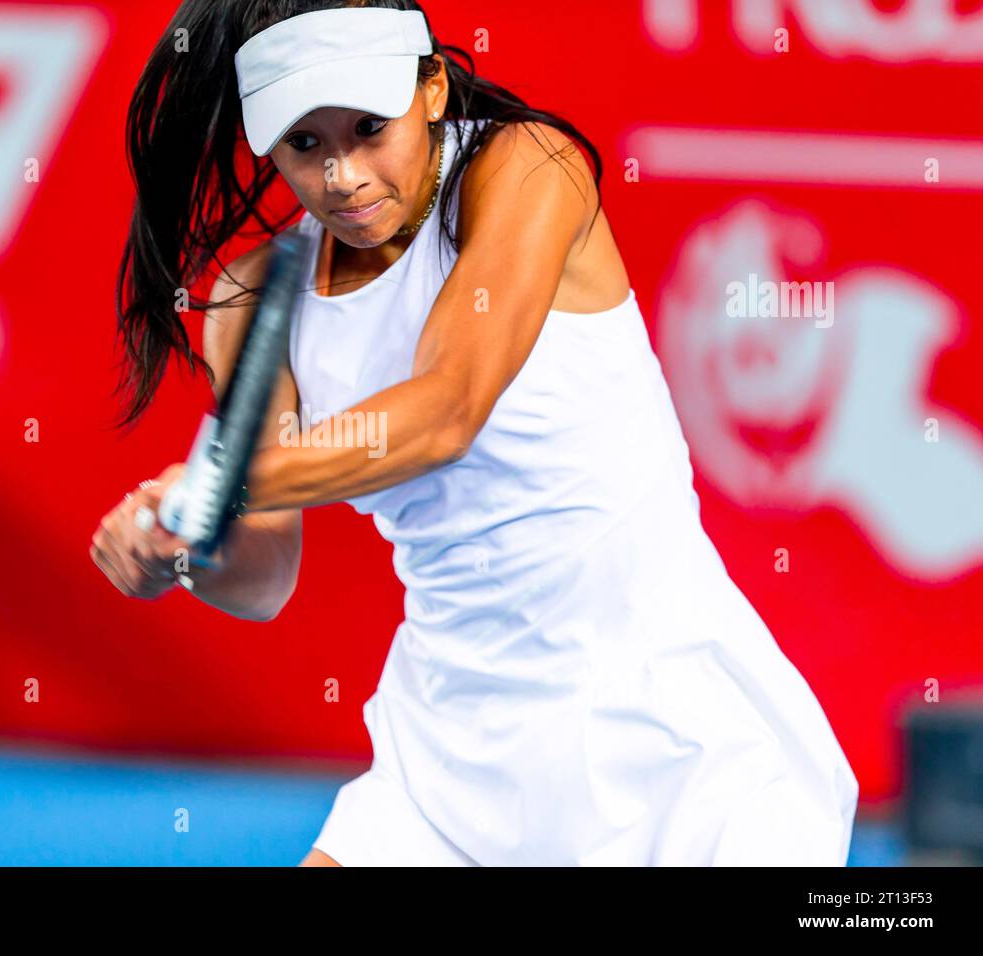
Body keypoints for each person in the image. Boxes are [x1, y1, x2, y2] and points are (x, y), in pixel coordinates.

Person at [90, 0, 859, 866]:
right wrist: (185, 550)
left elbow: (446, 409)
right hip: (447, 761)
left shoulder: (530, 166)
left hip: (679, 742)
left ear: (431, 88)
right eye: (306, 144)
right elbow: (264, 577)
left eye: (369, 127)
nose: (342, 173)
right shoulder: (250, 296)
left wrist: (218, 482)